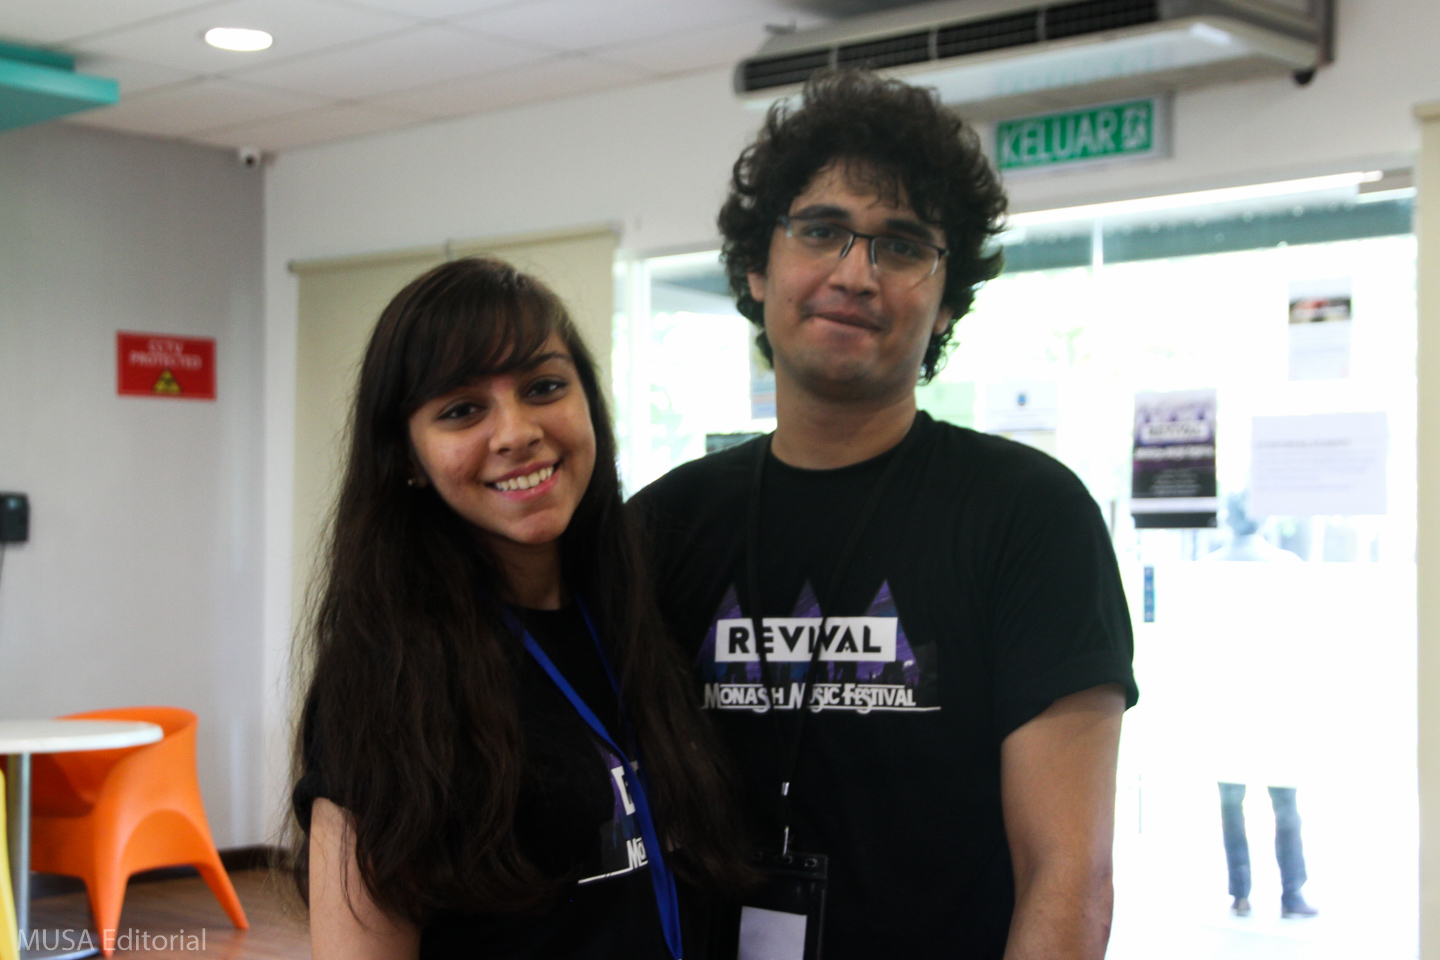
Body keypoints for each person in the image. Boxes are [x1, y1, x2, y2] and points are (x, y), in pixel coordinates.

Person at [631, 72, 1138, 960]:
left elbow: (1068, 877)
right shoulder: (662, 526)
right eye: (821, 230)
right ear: (757, 267)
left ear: (948, 302)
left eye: (902, 246)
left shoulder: (1029, 516)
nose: (855, 273)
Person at [291, 257, 748, 960]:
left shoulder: (642, 617)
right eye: (461, 410)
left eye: (543, 387)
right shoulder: (386, 682)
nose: (516, 432)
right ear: (407, 457)